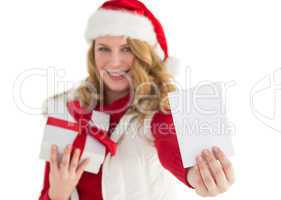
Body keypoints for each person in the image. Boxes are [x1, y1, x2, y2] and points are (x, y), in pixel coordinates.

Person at [38, 0, 235, 199]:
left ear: (144, 54)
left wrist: (194, 175)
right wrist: (58, 194)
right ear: (92, 53)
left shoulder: (159, 110)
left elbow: (170, 142)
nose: (114, 61)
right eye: (104, 49)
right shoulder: (66, 110)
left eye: (126, 49)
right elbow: (46, 192)